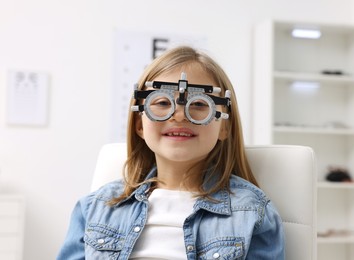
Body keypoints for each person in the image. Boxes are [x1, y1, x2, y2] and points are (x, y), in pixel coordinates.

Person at [57, 46, 285, 259]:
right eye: (162, 102)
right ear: (139, 124)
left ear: (224, 126)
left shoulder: (252, 212)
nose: (179, 115)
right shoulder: (94, 207)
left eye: (198, 104)